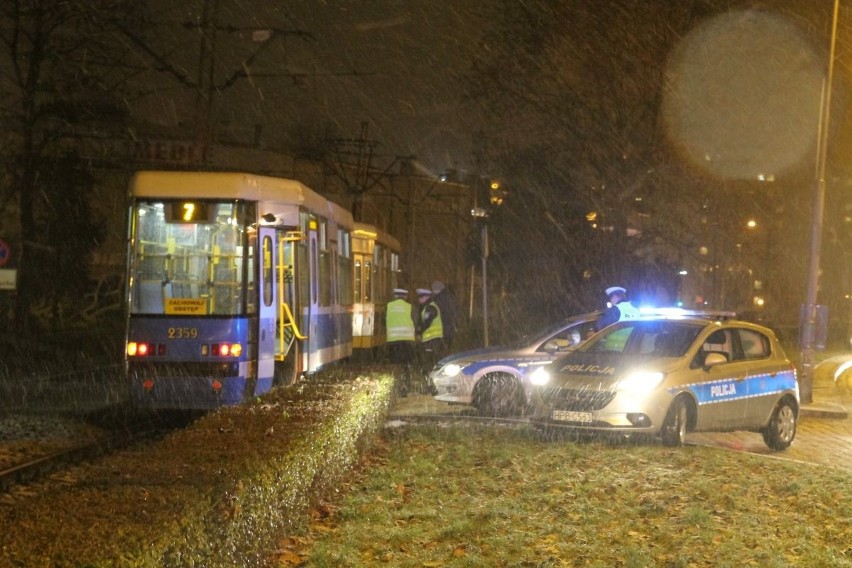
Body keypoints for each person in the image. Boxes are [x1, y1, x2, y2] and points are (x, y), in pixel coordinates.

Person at [385, 288, 416, 395]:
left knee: (395, 365)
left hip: (393, 342)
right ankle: (405, 386)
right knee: (406, 365)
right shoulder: (410, 307)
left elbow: (383, 321)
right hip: (408, 342)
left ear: (395, 296)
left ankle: (396, 387)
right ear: (405, 297)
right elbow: (416, 322)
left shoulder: (388, 307)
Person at [415, 287, 444, 393]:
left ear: (426, 297)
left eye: (421, 297)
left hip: (432, 340)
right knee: (430, 363)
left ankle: (432, 386)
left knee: (430, 363)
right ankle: (431, 386)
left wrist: (419, 331)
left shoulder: (430, 308)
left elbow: (426, 323)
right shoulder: (426, 307)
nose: (419, 300)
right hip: (431, 340)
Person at [431, 280, 457, 350]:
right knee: (447, 351)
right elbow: (455, 313)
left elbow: (436, 314)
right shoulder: (451, 298)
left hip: (441, 330)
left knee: (440, 352)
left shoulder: (437, 299)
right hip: (450, 331)